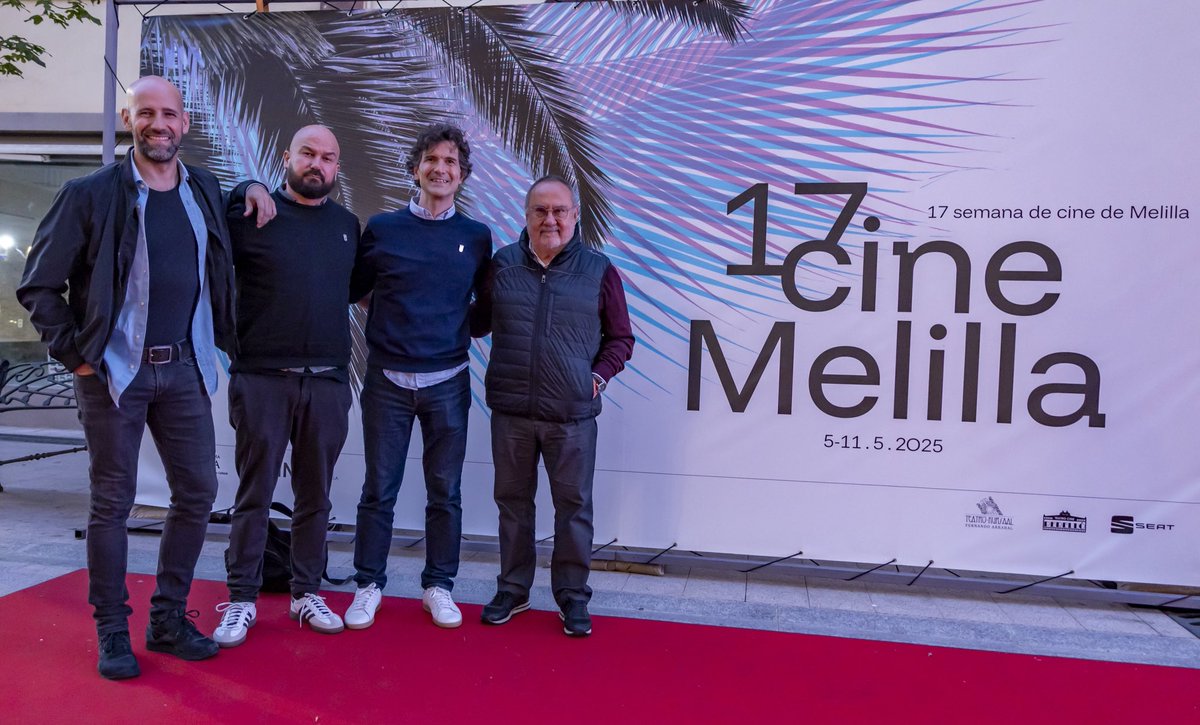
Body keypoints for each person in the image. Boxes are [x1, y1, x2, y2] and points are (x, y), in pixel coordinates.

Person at [17, 75, 275, 679]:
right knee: (113, 502)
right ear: (130, 120)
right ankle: (112, 629)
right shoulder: (89, 194)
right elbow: (38, 286)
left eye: (169, 114)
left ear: (185, 123)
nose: (159, 124)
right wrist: (78, 357)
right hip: (113, 373)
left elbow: (231, 217)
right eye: (146, 113)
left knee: (198, 493)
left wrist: (254, 185)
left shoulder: (202, 187)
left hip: (184, 367)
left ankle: (168, 619)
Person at [210, 125, 361, 648]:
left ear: (336, 167)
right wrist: (245, 187)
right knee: (253, 494)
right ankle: (241, 598)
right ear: (286, 157)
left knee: (315, 497)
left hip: (327, 383)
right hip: (261, 380)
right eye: (308, 153)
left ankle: (306, 592)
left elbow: (354, 290)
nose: (318, 164)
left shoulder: (347, 225)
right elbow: (204, 206)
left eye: (328, 157)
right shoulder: (253, 215)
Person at [345, 123, 492, 629]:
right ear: (415, 169)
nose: (440, 169)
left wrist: (443, 327)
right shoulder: (383, 228)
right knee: (378, 490)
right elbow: (359, 290)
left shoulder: (476, 237)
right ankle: (368, 585)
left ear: (462, 175)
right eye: (431, 159)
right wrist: (397, 320)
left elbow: (482, 309)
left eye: (450, 162)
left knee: (444, 492)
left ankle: (439, 586)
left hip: (448, 382)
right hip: (387, 381)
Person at [480, 175, 634, 637]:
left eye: (559, 211)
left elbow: (621, 338)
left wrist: (596, 378)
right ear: (526, 215)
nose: (550, 220)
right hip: (512, 412)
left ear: (574, 216)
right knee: (512, 504)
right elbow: (474, 321)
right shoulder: (502, 265)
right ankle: (514, 589)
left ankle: (572, 596)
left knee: (574, 508)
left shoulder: (598, 271)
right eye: (540, 211)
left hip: (571, 416)